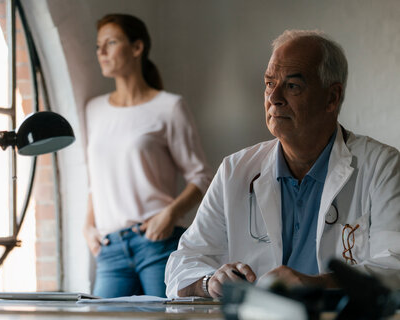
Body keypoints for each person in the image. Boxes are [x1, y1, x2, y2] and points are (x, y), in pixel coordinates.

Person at [165, 29, 400, 299]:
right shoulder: (235, 171)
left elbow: (395, 267)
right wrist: (210, 282)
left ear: (332, 98)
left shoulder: (382, 166)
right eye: (268, 83)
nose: (274, 98)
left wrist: (317, 284)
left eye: (292, 86)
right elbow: (182, 263)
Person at [84, 14, 212, 298]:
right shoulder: (93, 110)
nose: (101, 52)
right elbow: (98, 180)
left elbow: (201, 177)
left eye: (111, 43)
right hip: (110, 249)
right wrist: (87, 227)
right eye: (98, 46)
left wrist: (169, 215)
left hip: (157, 242)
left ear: (137, 47)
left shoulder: (169, 107)